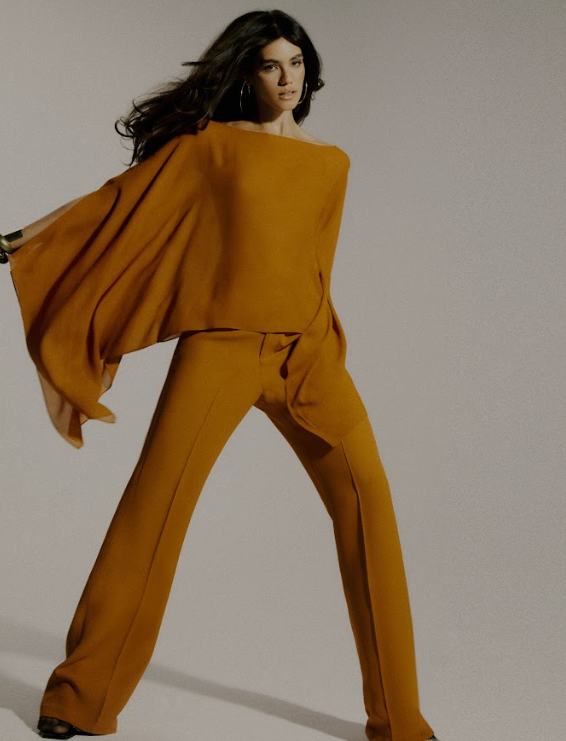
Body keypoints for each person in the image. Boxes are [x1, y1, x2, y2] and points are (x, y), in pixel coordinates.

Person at [2, 10, 440, 741]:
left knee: (369, 504)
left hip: (308, 355)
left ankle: (401, 720)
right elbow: (114, 202)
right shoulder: (210, 147)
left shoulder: (333, 164)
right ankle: (79, 698)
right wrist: (17, 241)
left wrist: (325, 347)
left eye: (296, 62)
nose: (287, 77)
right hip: (222, 349)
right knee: (154, 509)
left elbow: (318, 265)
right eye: (271, 64)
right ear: (248, 74)